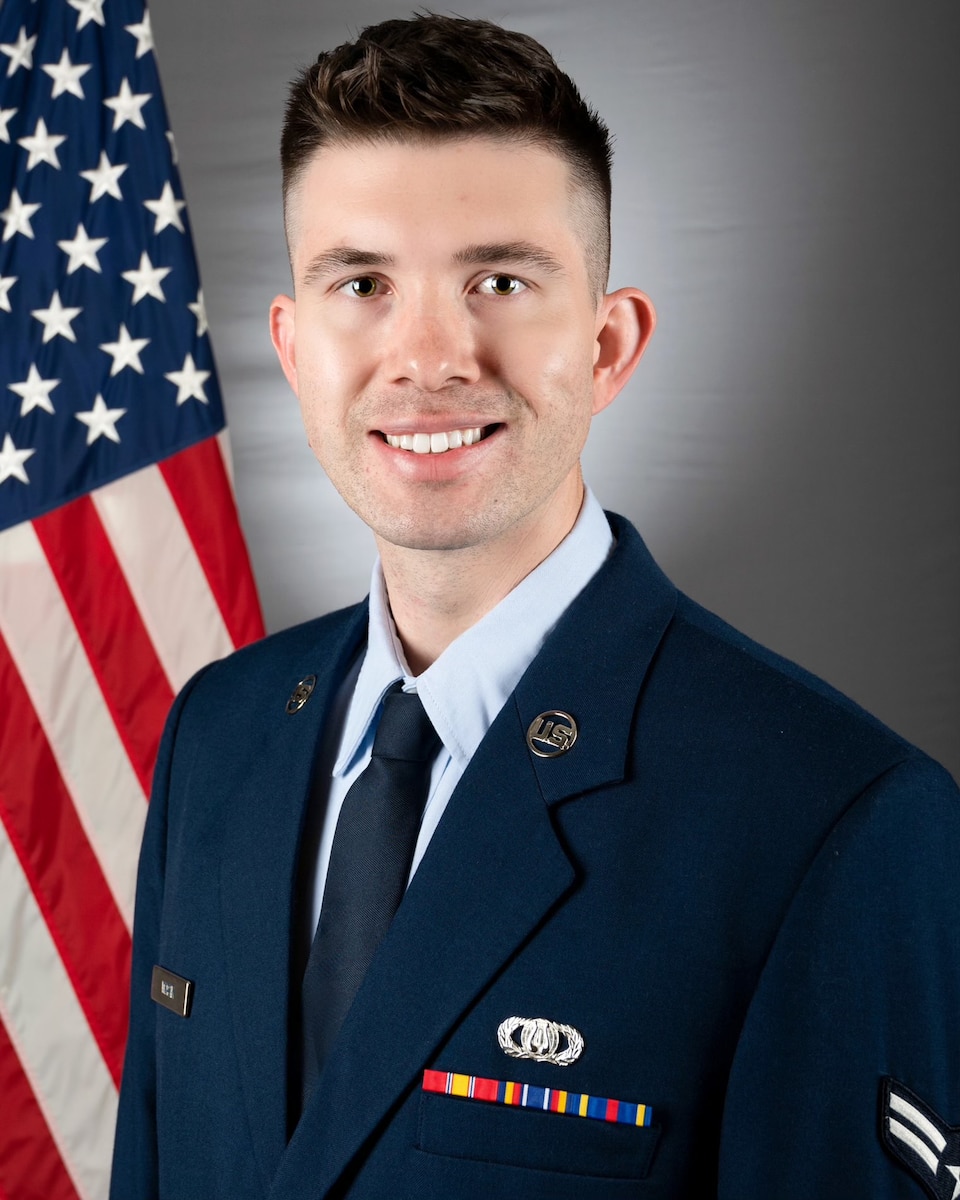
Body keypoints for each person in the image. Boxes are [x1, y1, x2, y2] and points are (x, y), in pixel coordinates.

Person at [110, 14, 960, 1200]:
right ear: (294, 352)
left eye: (499, 281)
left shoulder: (832, 822)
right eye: (362, 283)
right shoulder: (219, 735)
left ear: (609, 346)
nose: (430, 356)